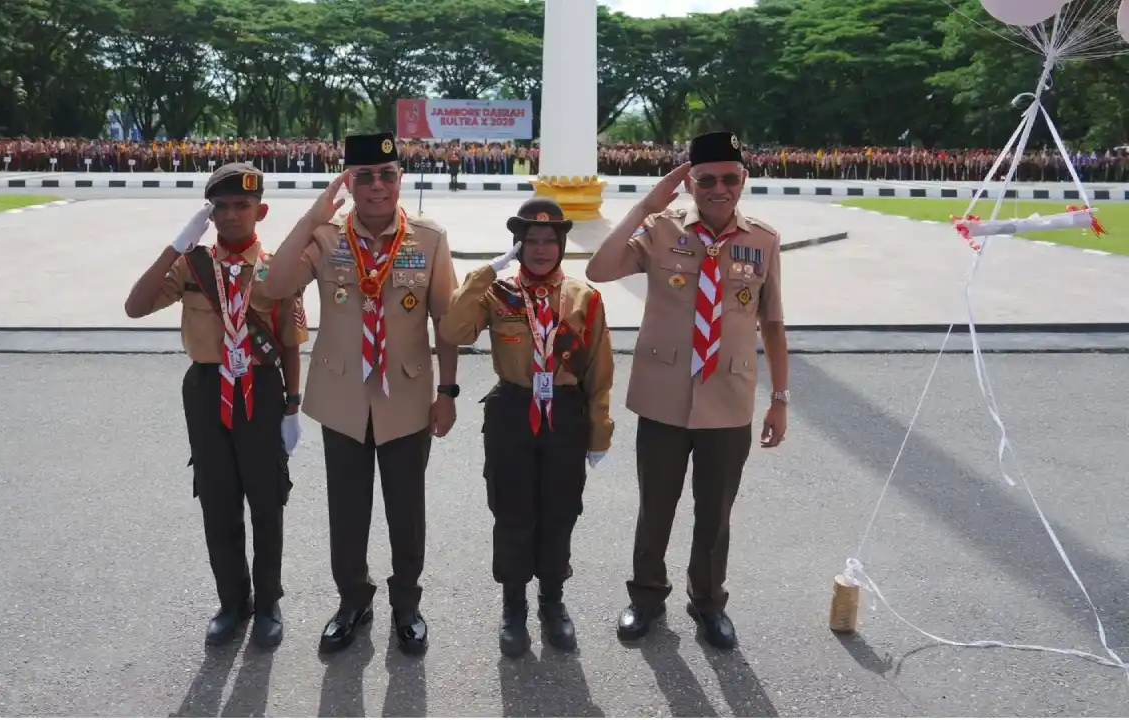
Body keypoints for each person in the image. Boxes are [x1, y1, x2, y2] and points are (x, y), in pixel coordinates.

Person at [255, 131, 460, 656]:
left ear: (400, 180)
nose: (376, 186)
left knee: (406, 510)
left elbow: (446, 322)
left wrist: (448, 391)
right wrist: (313, 216)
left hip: (407, 398)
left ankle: (407, 604)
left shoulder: (429, 239)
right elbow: (273, 286)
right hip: (343, 395)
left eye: (387, 175)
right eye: (364, 176)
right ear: (349, 182)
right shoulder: (326, 237)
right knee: (346, 510)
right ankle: (352, 600)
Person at [585, 131, 790, 650]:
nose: (719, 189)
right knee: (656, 505)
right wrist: (645, 206)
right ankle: (646, 597)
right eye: (707, 179)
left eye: (729, 178)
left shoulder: (763, 240)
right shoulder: (660, 229)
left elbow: (772, 323)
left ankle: (708, 602)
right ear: (690, 182)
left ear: (743, 179)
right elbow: (599, 269)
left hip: (729, 398)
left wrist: (780, 400)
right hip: (663, 396)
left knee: (715, 513)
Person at [122, 162, 308, 649]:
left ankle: (268, 602)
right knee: (217, 498)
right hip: (207, 389)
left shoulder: (276, 269)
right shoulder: (192, 265)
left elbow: (290, 343)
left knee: (266, 500)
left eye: (241, 205)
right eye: (220, 207)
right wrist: (175, 246)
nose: (230, 215)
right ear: (208, 214)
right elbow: (135, 307)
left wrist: (293, 405)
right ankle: (233, 601)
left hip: (260, 389)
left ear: (260, 211)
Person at [438, 198, 614, 658]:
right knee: (512, 511)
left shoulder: (584, 298)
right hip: (513, 411)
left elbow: (600, 371)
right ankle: (513, 605)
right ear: (517, 246)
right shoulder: (497, 294)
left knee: (560, 510)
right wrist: (485, 274)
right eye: (530, 241)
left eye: (549, 240)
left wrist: (599, 430)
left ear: (561, 246)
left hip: (565, 414)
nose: (540, 249)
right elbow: (453, 331)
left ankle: (552, 602)